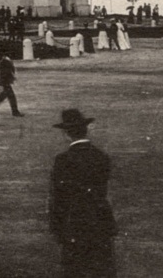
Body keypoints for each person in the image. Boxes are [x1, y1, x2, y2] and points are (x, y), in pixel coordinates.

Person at [49, 109, 116, 277]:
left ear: (66, 134)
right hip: (99, 222)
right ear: (86, 130)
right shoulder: (101, 156)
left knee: (75, 270)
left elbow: (59, 198)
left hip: (74, 224)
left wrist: (57, 228)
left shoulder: (63, 160)